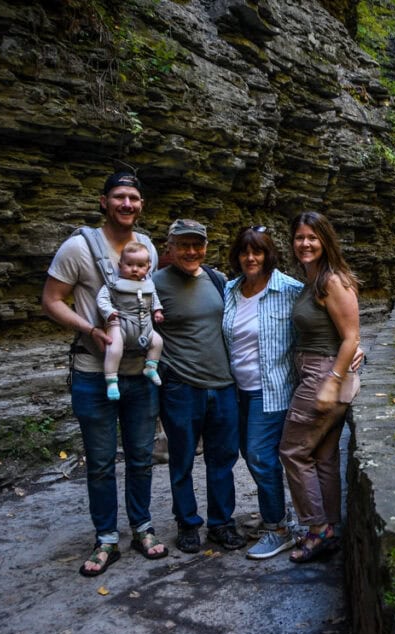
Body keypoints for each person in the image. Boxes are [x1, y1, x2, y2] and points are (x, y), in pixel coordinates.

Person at [41, 170, 168, 576]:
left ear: (141, 204)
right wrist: (90, 328)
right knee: (99, 461)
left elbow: (150, 295)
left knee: (142, 457)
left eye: (133, 197)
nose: (127, 204)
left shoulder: (145, 245)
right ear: (103, 202)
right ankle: (106, 539)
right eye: (119, 197)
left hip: (140, 372)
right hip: (94, 372)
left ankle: (143, 527)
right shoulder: (78, 247)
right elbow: (51, 300)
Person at [153, 218, 246, 553]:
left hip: (222, 386)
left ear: (205, 247)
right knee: (182, 460)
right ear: (170, 246)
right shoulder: (154, 284)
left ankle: (221, 523)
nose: (191, 251)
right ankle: (188, 523)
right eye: (183, 244)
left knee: (223, 460)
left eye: (197, 244)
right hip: (181, 387)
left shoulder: (216, 279)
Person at [279, 211, 361, 563]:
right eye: (299, 237)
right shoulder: (312, 280)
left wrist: (333, 381)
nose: (305, 243)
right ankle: (330, 527)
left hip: (322, 375)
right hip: (319, 372)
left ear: (326, 240)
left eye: (312, 237)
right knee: (324, 456)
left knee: (293, 451)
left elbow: (351, 336)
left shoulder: (332, 280)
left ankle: (317, 529)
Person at [222, 225, 304, 559]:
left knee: (259, 456)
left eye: (257, 251)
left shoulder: (290, 289)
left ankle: (279, 528)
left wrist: (352, 347)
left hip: (271, 390)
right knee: (253, 455)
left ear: (269, 254)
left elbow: (319, 323)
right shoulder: (229, 289)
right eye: (244, 251)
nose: (251, 258)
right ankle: (280, 516)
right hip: (235, 390)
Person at [96, 241, 165, 400]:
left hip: (144, 325)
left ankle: (150, 366)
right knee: (114, 349)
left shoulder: (149, 285)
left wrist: (157, 311)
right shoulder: (113, 284)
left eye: (140, 265)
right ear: (120, 265)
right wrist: (109, 311)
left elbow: (154, 299)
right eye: (129, 264)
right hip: (121, 323)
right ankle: (111, 380)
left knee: (158, 341)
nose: (135, 269)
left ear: (148, 267)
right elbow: (102, 299)